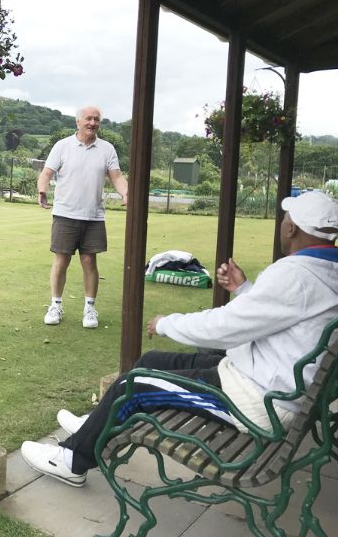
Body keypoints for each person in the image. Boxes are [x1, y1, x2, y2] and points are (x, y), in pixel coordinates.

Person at [21, 190, 338, 487]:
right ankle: (96, 424)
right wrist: (244, 290)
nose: (281, 224)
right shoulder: (325, 271)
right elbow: (282, 316)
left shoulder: (295, 274)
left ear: (293, 228)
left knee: (134, 385)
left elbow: (226, 326)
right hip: (268, 383)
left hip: (256, 403)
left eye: (285, 219)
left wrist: (167, 323)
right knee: (151, 361)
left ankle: (73, 460)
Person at [38, 106, 128, 329]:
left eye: (97, 119)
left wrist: (126, 193)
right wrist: (42, 189)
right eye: (88, 118)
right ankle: (55, 305)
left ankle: (90, 308)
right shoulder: (63, 146)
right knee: (62, 260)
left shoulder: (107, 149)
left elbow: (116, 176)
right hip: (65, 213)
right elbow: (47, 172)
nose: (93, 122)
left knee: (89, 261)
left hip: (94, 216)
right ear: (78, 121)